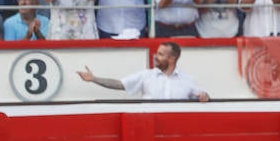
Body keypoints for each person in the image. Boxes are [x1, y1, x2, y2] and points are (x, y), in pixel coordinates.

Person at [76, 41, 210, 101]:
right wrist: (94, 79)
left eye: (161, 54)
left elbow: (202, 95)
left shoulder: (187, 79)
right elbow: (120, 84)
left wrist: (205, 96)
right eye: (157, 53)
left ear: (172, 59)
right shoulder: (146, 76)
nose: (156, 57)